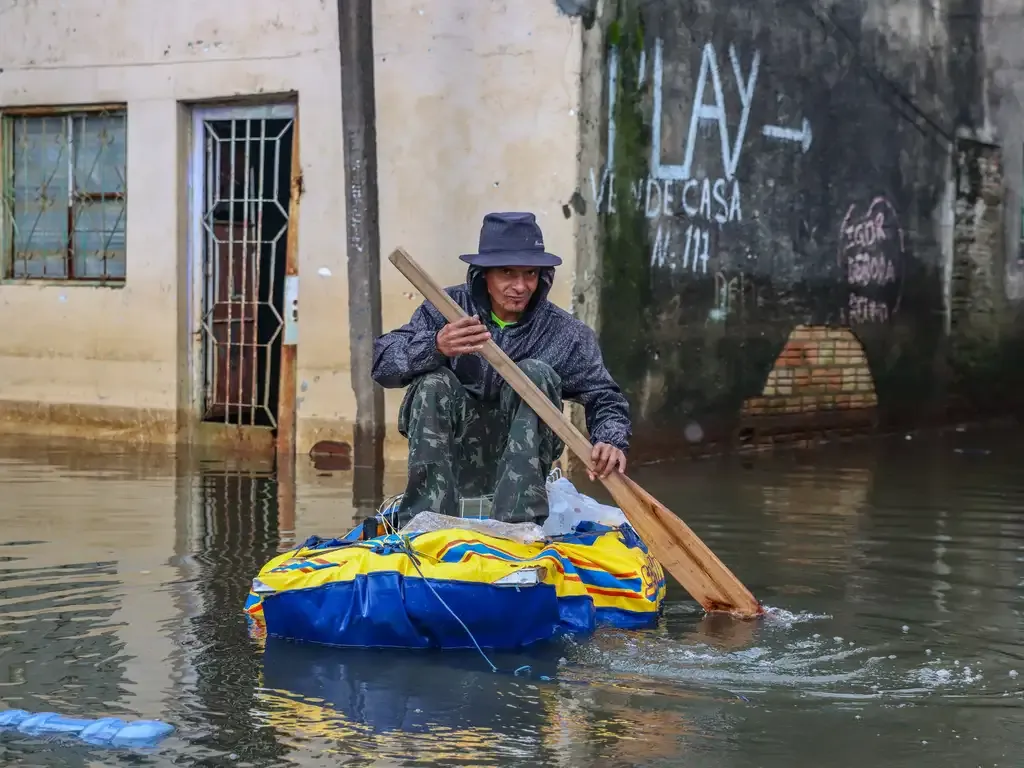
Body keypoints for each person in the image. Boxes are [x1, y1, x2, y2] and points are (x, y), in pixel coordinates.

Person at [371, 211, 631, 524]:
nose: (520, 286)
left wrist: (610, 440)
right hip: (453, 458)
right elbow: (383, 364)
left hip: (526, 467)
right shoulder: (444, 311)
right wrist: (435, 346)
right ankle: (427, 524)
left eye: (530, 274)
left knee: (536, 373)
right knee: (432, 382)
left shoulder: (564, 333)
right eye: (507, 272)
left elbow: (603, 395)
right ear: (484, 275)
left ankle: (518, 526)